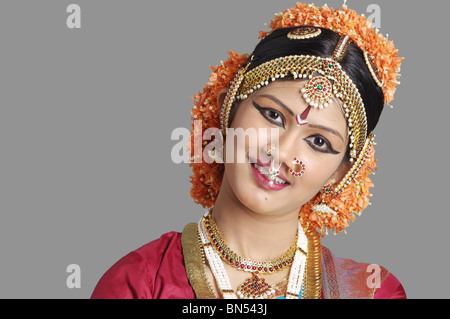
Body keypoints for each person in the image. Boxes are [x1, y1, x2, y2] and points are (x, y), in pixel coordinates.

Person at [91, 2, 405, 299]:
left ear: (341, 173)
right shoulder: (139, 284)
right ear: (227, 108)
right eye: (273, 116)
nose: (281, 152)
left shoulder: (373, 290)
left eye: (318, 141)